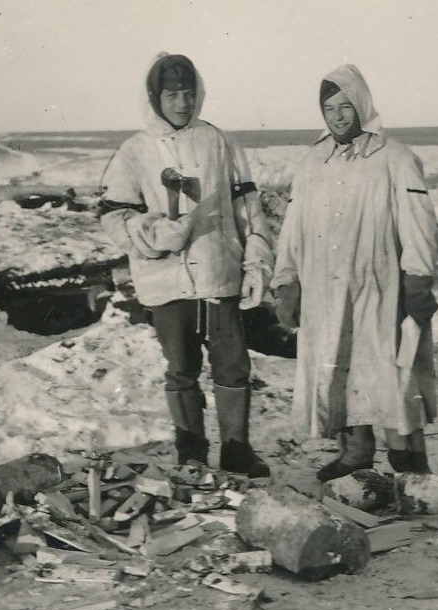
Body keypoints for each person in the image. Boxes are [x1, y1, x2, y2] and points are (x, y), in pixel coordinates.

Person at [97, 53, 273, 478]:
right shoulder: (134, 151)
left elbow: (249, 210)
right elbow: (115, 217)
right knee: (181, 369)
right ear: (155, 98)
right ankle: (190, 453)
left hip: (218, 275)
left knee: (233, 366)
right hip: (167, 282)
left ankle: (236, 450)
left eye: (189, 93)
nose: (182, 103)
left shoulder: (220, 142)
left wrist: (257, 263)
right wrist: (158, 233)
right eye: (172, 95)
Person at [271, 64, 438, 482]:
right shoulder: (313, 162)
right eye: (329, 109)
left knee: (390, 372)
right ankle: (356, 452)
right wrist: (286, 280)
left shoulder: (395, 158)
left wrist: (417, 279)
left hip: (380, 288)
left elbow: (419, 224)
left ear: (362, 105)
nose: (338, 117)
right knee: (340, 366)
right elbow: (293, 228)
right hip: (325, 290)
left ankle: (409, 462)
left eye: (345, 106)